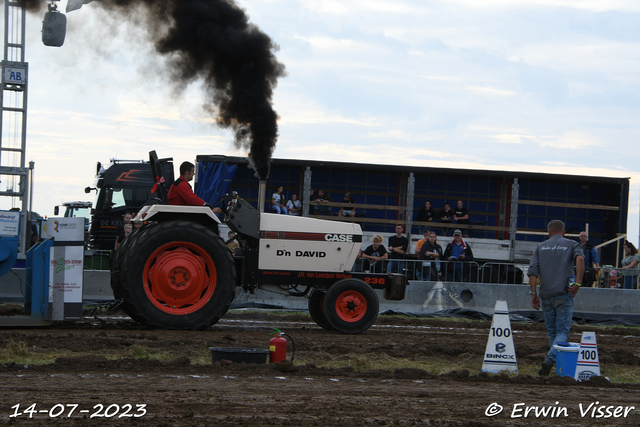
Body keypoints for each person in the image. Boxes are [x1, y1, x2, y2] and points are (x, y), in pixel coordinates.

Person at [528, 219, 585, 377]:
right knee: (562, 331)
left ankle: (553, 362)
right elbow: (580, 259)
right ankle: (550, 359)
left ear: (549, 232)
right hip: (563, 293)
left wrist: (533, 294)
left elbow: (533, 271)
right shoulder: (572, 244)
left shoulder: (540, 246)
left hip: (545, 294)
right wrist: (578, 283)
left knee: (552, 331)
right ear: (564, 232)